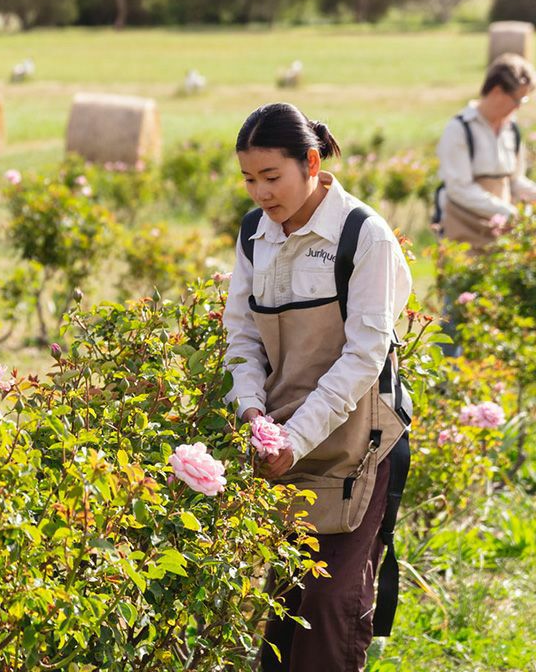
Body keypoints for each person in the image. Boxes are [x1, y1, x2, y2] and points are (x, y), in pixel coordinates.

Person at [222, 103, 412, 672]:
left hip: (358, 441)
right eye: (249, 179)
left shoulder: (364, 236)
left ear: (310, 162)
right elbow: (242, 334)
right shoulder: (255, 234)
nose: (260, 192)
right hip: (282, 437)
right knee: (288, 605)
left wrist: (293, 438)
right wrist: (252, 409)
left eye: (272, 177)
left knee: (332, 606)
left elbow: (363, 357)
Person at [435, 52, 536, 252]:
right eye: (517, 100)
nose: (517, 107)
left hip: (501, 228)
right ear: (497, 91)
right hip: (463, 227)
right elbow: (459, 188)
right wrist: (507, 212)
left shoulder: (511, 130)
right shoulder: (460, 129)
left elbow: (515, 180)